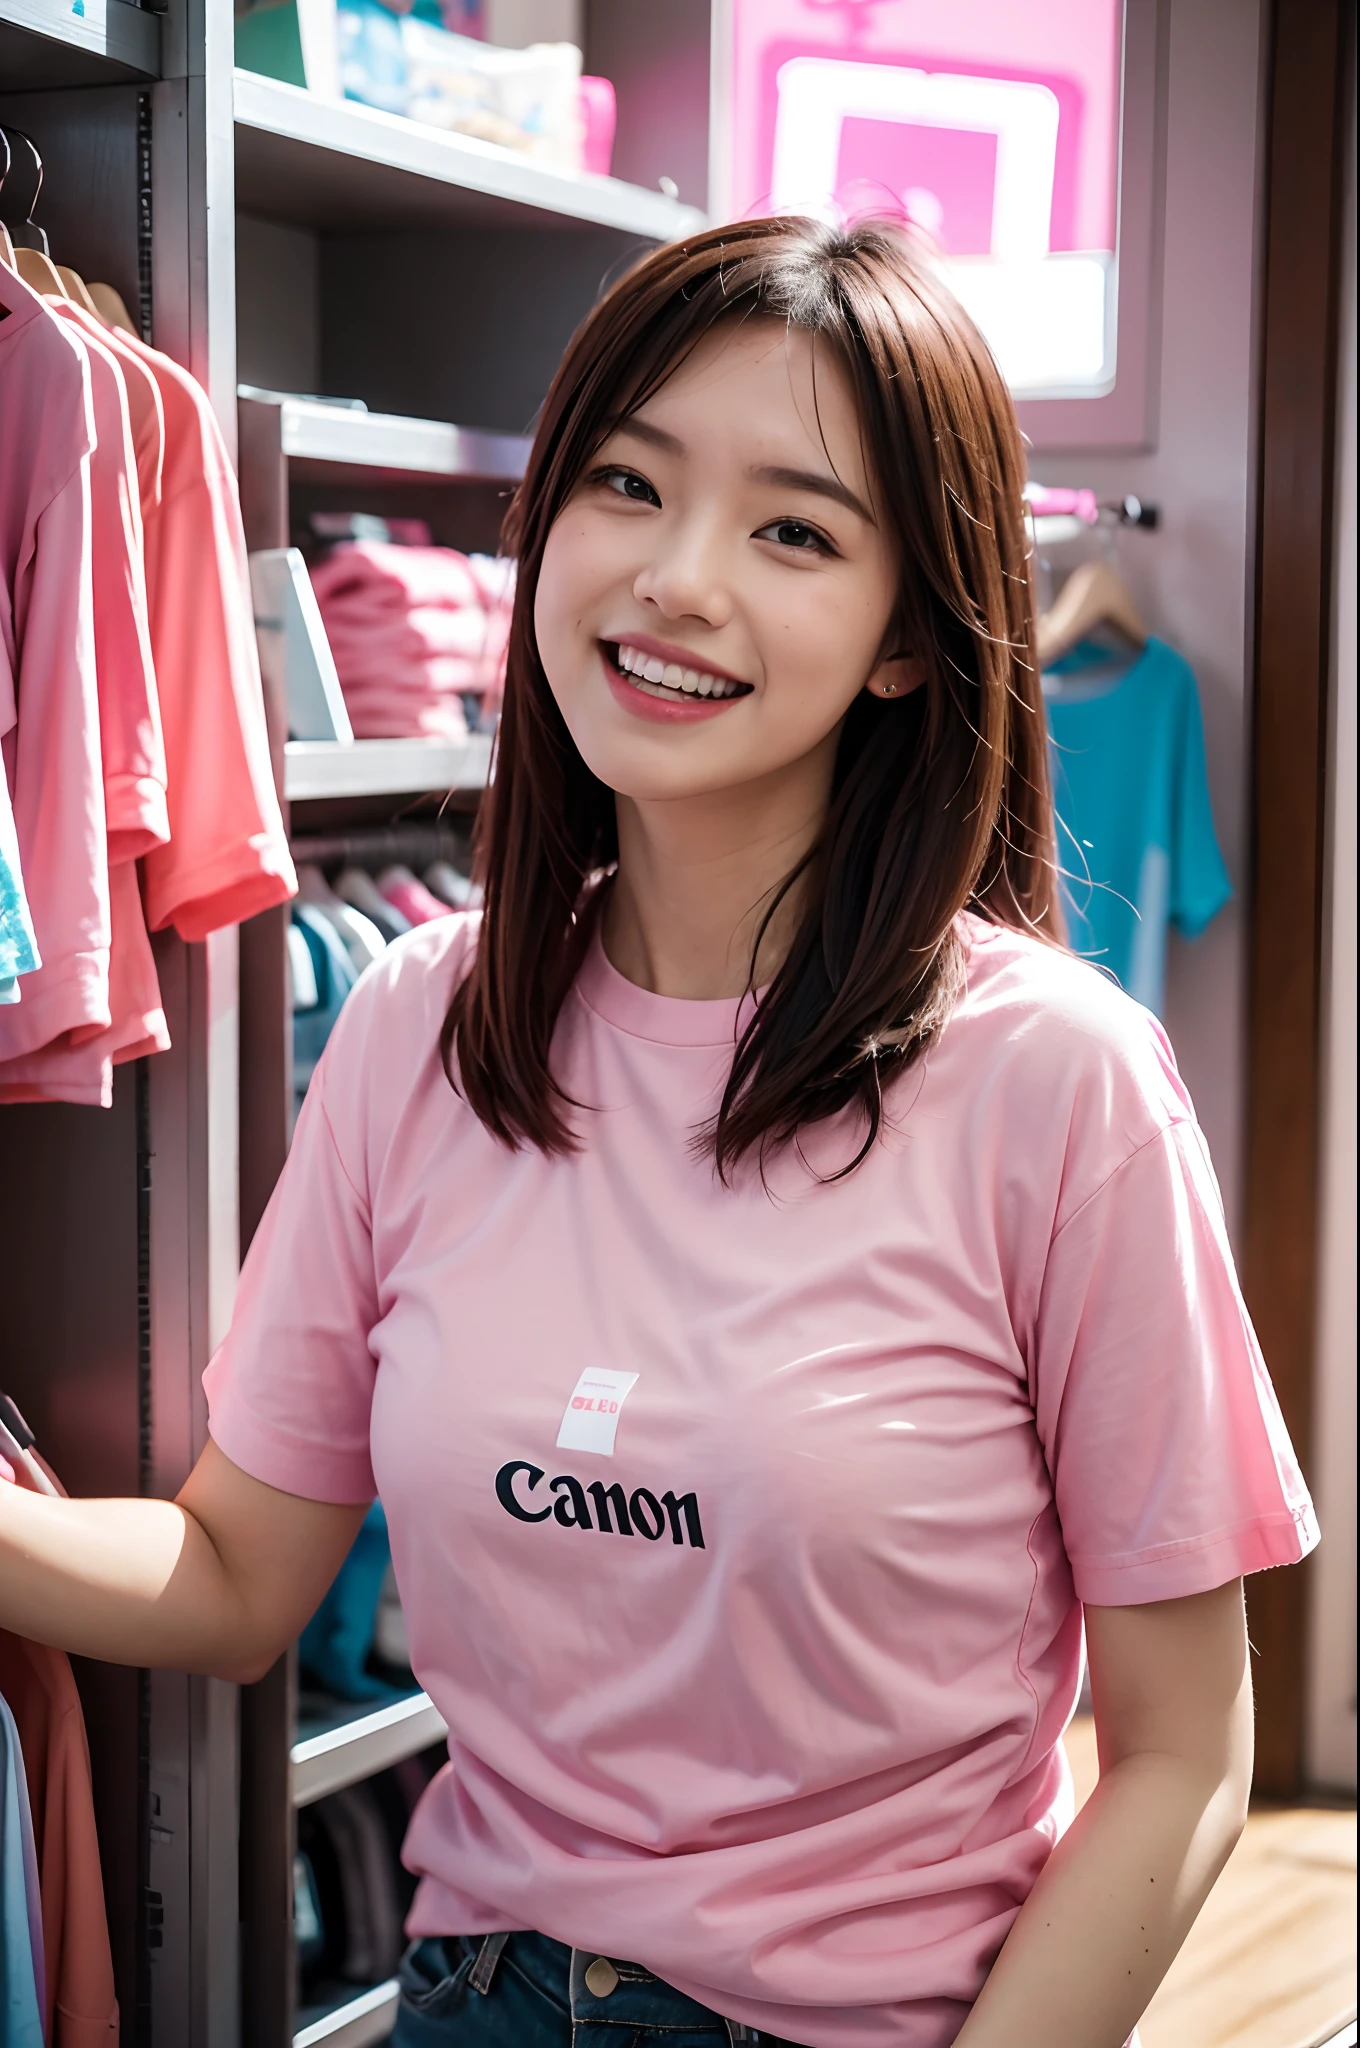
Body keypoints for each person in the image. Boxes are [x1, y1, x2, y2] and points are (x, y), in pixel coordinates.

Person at [0, 219, 1317, 2048]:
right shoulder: (417, 1026)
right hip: (470, 2001)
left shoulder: (1060, 1083)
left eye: (795, 530)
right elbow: (234, 1579)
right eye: (628, 483)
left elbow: (1184, 1760)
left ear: (905, 645)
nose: (677, 578)